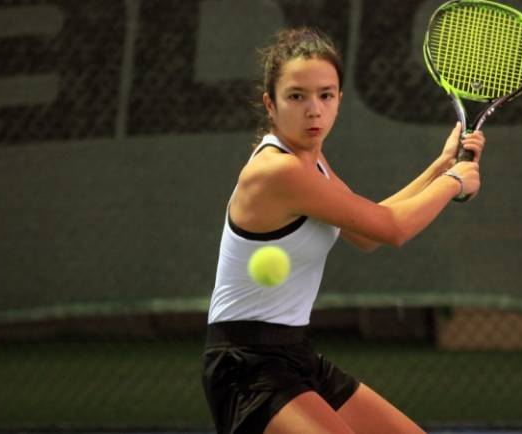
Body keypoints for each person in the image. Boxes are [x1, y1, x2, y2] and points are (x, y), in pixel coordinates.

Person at [202, 27, 485, 434]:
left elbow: (368, 230)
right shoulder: (278, 170)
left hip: (295, 355)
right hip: (246, 368)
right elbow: (393, 229)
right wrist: (455, 182)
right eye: (296, 96)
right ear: (270, 104)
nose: (314, 110)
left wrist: (441, 167)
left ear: (339, 100)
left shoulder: (313, 163)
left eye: (326, 95)